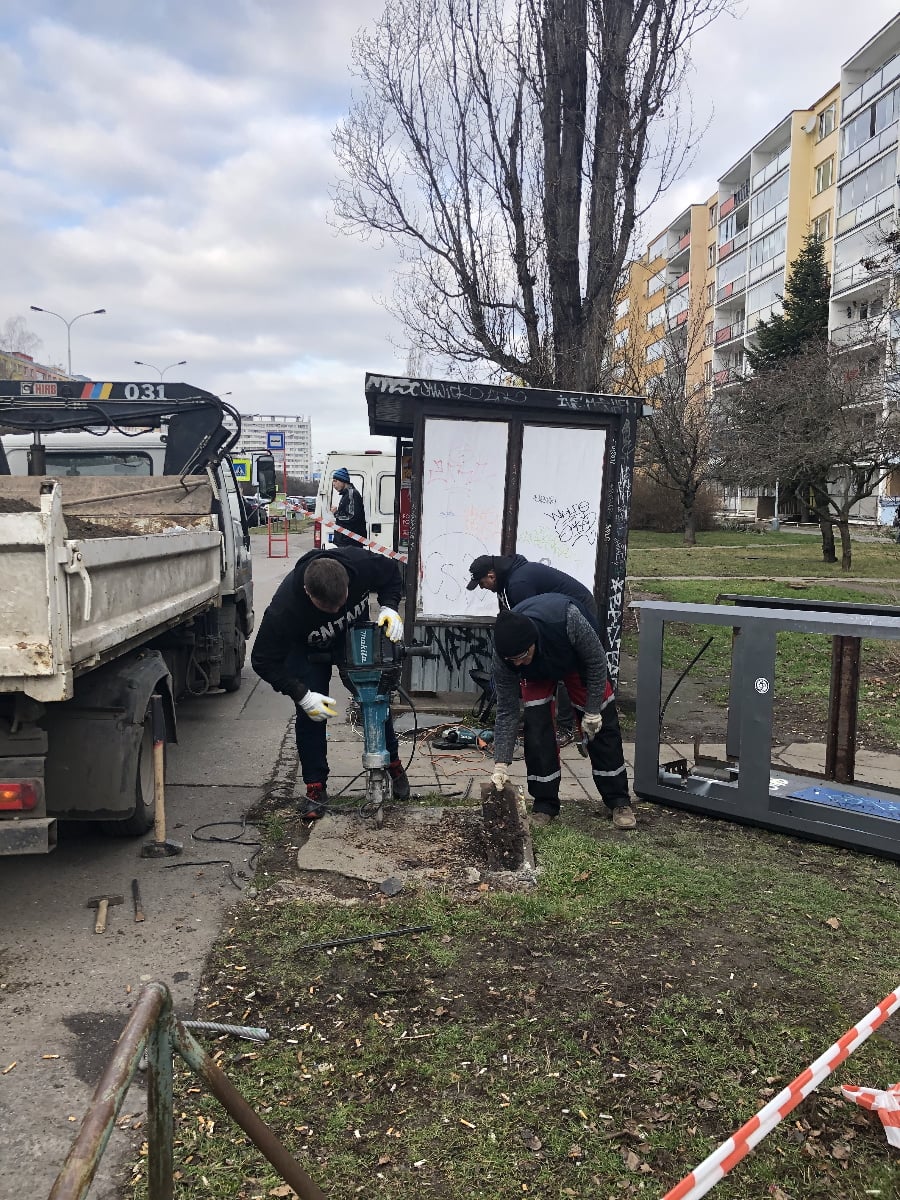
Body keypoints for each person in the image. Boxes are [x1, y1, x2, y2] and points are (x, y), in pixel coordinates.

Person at [251, 547, 408, 819]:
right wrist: (301, 694)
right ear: (308, 592)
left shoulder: (360, 564)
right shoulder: (285, 608)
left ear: (348, 582)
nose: (336, 610)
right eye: (327, 608)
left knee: (375, 699)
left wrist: (389, 606)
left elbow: (392, 573)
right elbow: (262, 660)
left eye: (341, 603)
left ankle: (392, 763)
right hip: (310, 651)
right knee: (312, 715)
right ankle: (315, 787)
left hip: (353, 636)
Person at [489, 597, 636, 830]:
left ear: (532, 641)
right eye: (512, 660)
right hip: (538, 673)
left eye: (522, 657)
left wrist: (592, 711)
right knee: (537, 731)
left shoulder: (568, 620)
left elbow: (597, 662)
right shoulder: (505, 657)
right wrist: (501, 762)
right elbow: (507, 710)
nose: (517, 664)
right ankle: (544, 804)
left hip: (577, 661)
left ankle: (618, 800)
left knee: (603, 729)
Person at [466, 553, 601, 744]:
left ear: (491, 575)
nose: (482, 587)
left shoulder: (518, 584)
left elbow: (529, 624)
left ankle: (566, 728)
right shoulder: (510, 579)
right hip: (563, 611)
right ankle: (540, 719)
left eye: (481, 583)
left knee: (564, 666)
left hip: (576, 612)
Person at [330, 467, 367, 546]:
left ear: (343, 481)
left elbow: (351, 516)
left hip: (350, 543)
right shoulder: (346, 494)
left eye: (335, 481)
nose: (333, 484)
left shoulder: (352, 493)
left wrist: (336, 513)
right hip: (346, 541)